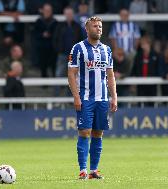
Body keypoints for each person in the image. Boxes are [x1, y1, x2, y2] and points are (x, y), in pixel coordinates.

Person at [68, 16, 117, 179]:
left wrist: (114, 97)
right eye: (95, 26)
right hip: (86, 98)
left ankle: (93, 171)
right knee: (85, 132)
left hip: (102, 99)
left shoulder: (107, 50)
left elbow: (110, 75)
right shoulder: (78, 48)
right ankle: (82, 170)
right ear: (87, 29)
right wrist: (76, 97)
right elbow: (71, 74)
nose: (98, 29)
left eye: (100, 26)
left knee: (98, 133)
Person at [53, 6, 83, 96]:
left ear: (73, 15)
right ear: (65, 15)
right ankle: (56, 97)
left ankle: (70, 97)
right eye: (67, 14)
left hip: (74, 56)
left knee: (73, 77)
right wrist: (59, 49)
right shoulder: (60, 26)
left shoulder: (77, 26)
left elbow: (81, 40)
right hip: (62, 54)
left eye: (70, 14)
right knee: (58, 75)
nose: (69, 15)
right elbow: (55, 39)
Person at [131, 36, 160, 107]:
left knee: (152, 103)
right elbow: (134, 68)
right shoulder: (138, 55)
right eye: (141, 45)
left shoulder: (155, 55)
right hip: (141, 83)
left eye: (144, 44)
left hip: (152, 83)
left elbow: (158, 68)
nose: (142, 46)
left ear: (149, 44)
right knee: (140, 102)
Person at [34, 3, 58, 77]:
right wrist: (42, 35)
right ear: (43, 11)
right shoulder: (38, 21)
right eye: (46, 10)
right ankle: (44, 83)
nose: (47, 12)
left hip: (52, 47)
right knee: (43, 65)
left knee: (54, 65)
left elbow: (57, 34)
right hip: (42, 47)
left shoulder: (55, 22)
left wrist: (51, 35)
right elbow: (35, 34)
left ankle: (54, 81)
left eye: (49, 10)